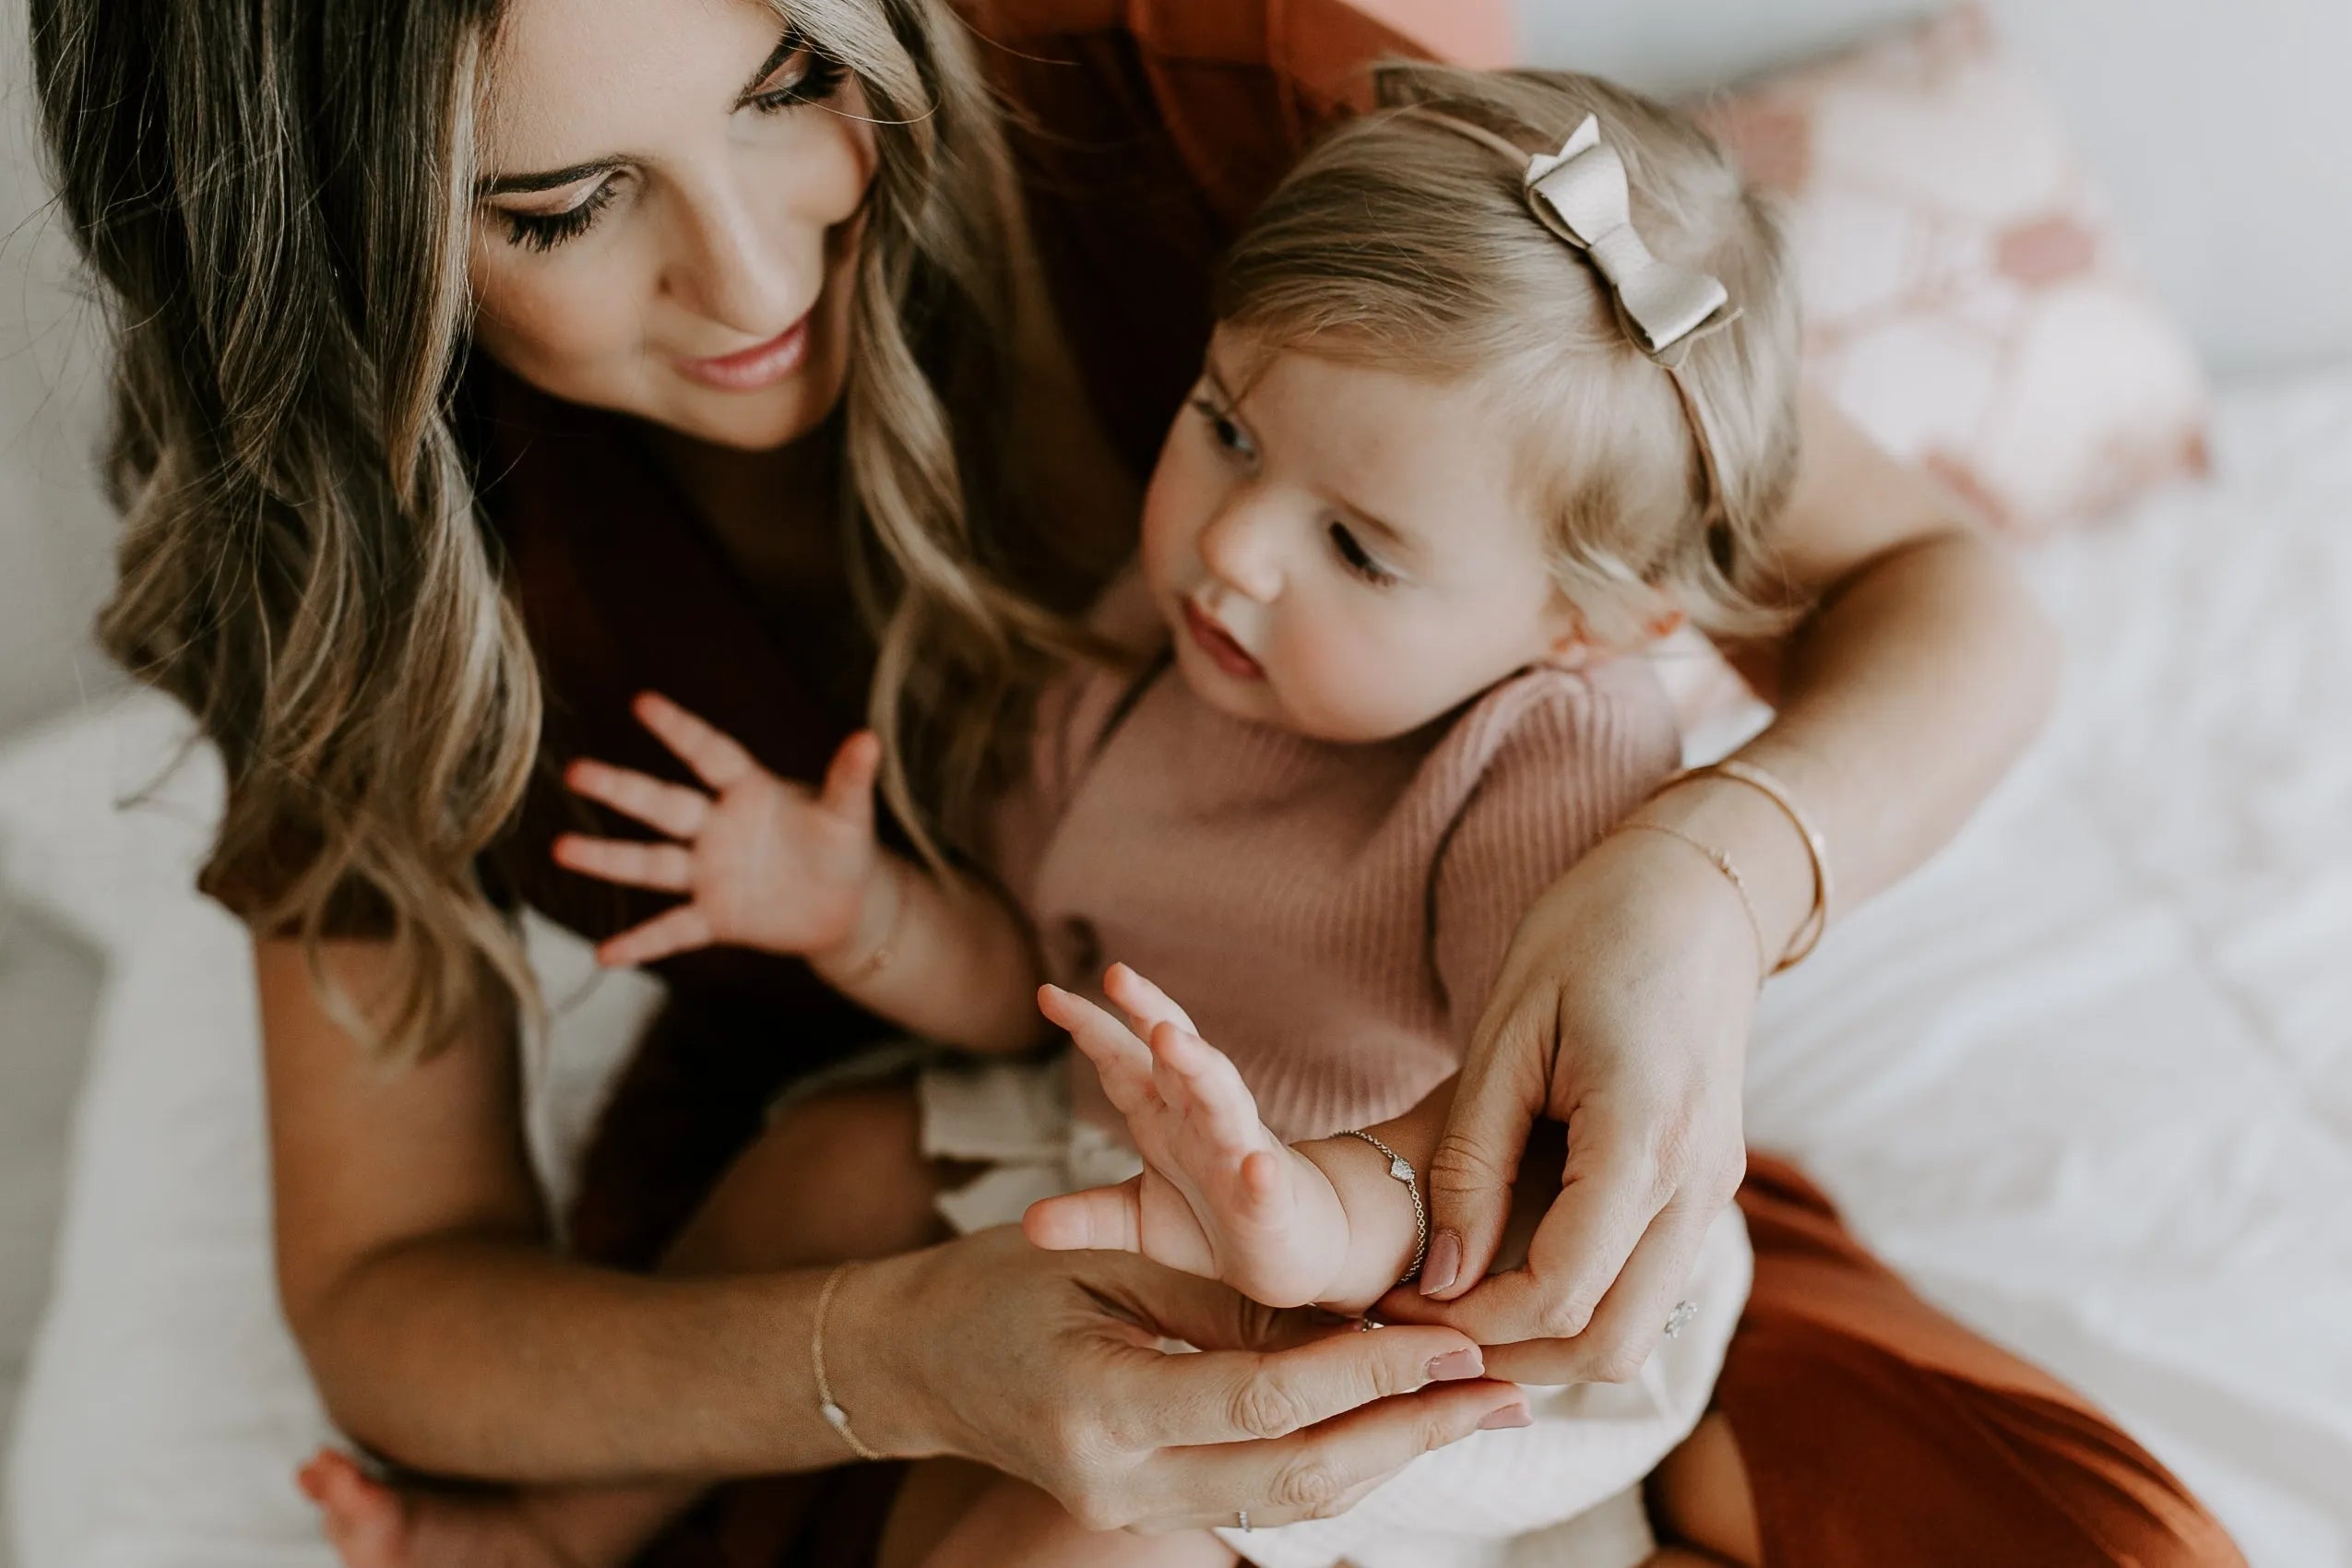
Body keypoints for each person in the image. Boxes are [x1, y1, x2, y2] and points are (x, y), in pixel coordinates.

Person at [26, 0, 2243, 1563]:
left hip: (1444, 1198)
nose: (755, 265)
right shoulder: (336, 565)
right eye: (562, 205)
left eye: (798, 78)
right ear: (323, 258)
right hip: (904, 1226)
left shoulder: (1229, 110)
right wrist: (889, 1355)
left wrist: (1708, 872)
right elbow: (403, 1294)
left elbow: (1943, 589)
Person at [417, 65, 1788, 1568]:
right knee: (816, 1171)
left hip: (1418, 1275)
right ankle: (557, 1525)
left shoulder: (1544, 760)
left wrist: (1309, 1222)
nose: (1233, 546)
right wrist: (856, 913)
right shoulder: (1162, 641)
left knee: (1065, 1544)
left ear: (1586, 624)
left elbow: (1529, 1156)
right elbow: (1031, 989)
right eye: (1227, 428)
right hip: (1119, 1156)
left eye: (1355, 545)